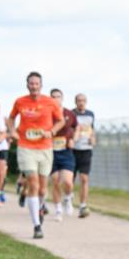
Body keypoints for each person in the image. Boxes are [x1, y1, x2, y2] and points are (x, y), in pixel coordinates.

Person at [9, 71, 65, 239]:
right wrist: (13, 132)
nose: (34, 86)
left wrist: (52, 131)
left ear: (41, 85)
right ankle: (36, 225)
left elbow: (60, 121)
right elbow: (11, 118)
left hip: (45, 148)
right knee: (32, 183)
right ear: (27, 85)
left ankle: (40, 208)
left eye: (36, 83)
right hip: (26, 146)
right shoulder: (20, 101)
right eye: (31, 83)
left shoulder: (50, 102)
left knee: (42, 188)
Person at [49, 88, 78, 222]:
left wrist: (74, 139)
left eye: (58, 96)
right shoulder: (47, 113)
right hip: (51, 152)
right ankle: (58, 209)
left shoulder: (69, 113)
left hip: (66, 151)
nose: (56, 99)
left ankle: (68, 197)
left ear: (62, 98)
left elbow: (76, 127)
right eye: (53, 97)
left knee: (67, 181)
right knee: (55, 181)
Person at [72, 93, 96, 218]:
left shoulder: (90, 114)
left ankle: (83, 205)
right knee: (70, 180)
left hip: (86, 149)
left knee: (84, 178)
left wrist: (93, 138)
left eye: (83, 100)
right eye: (79, 101)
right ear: (75, 102)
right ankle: (68, 197)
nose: (81, 103)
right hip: (74, 149)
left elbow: (92, 129)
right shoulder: (72, 114)